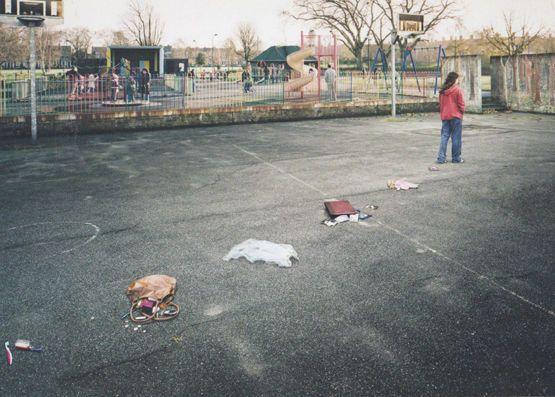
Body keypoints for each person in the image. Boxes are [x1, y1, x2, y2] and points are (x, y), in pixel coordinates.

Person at [437, 71, 466, 164]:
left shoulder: (442, 91)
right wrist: (461, 112)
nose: (458, 81)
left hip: (445, 116)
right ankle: (456, 158)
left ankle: (441, 158)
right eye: (457, 79)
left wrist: (443, 114)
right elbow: (461, 104)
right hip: (456, 117)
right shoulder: (457, 90)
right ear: (454, 80)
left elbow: (441, 105)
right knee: (456, 137)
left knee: (444, 137)